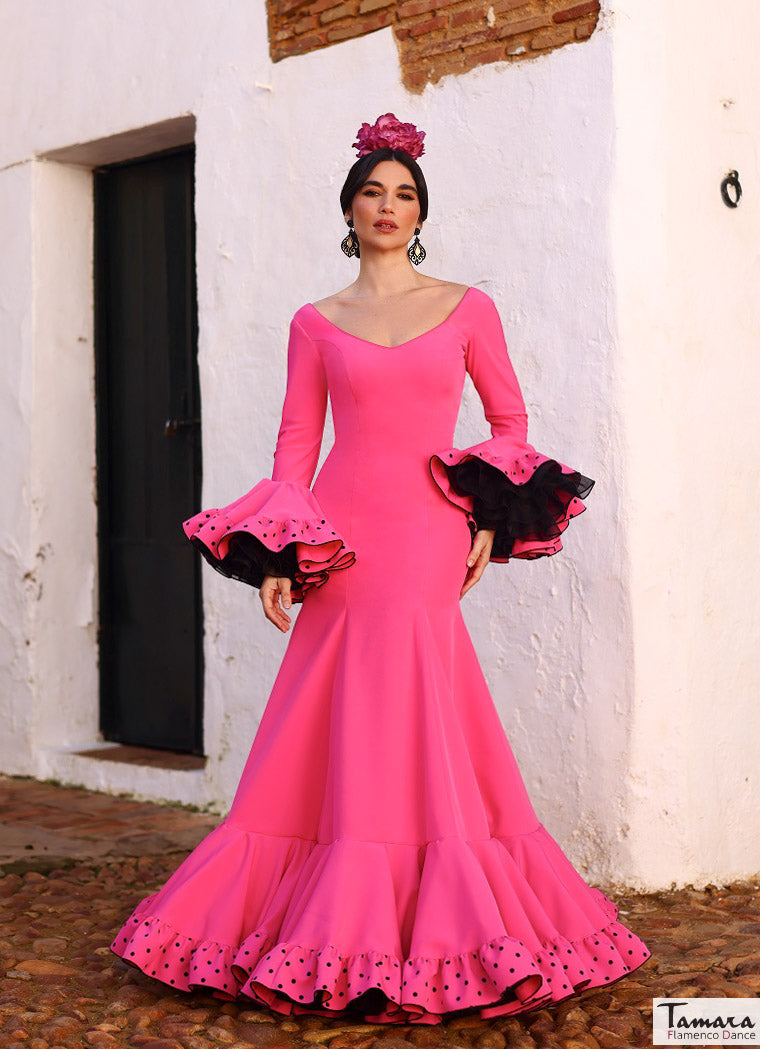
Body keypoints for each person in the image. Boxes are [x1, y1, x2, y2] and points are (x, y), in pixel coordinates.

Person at [110, 113, 650, 1025]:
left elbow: (510, 422)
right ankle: (334, 918)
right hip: (344, 534)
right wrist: (282, 552)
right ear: (350, 210)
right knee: (335, 708)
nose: (388, 206)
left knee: (421, 699)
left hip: (429, 530)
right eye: (373, 192)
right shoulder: (315, 322)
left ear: (421, 213)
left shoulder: (467, 307)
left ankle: (443, 915)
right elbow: (296, 443)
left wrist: (487, 515)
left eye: (404, 194)